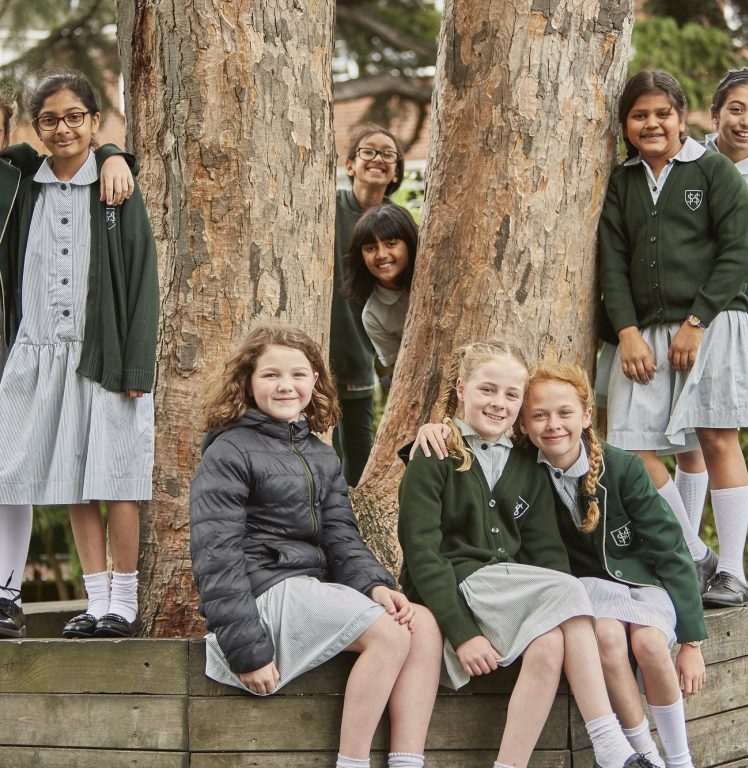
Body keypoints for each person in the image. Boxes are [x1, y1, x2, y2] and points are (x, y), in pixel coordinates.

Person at [190, 325, 442, 768]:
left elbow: (341, 536)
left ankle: (407, 761)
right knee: (387, 635)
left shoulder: (321, 454)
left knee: (419, 623)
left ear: (315, 382)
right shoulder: (229, 451)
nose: (286, 385)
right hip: (264, 592)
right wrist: (248, 650)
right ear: (248, 382)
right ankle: (353, 763)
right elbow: (217, 556)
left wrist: (374, 586)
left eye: (299, 374)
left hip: (310, 588)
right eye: (270, 375)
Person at [399, 340, 656, 768]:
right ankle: (608, 742)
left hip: (507, 595)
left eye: (511, 394)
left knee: (551, 642)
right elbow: (423, 556)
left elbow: (546, 553)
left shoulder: (525, 460)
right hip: (455, 590)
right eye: (487, 389)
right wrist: (462, 634)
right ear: (462, 389)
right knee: (568, 592)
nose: (499, 403)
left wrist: (556, 599)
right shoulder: (435, 453)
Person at [0, 71, 158, 639]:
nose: (63, 128)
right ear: (35, 127)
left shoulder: (116, 188)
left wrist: (138, 363)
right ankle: (94, 602)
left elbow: (143, 278)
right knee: (70, 480)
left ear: (94, 121)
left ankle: (124, 603)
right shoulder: (24, 186)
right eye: (49, 119)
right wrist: (113, 150)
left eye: (75, 117)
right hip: (41, 355)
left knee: (117, 477)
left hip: (107, 355)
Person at [599, 69, 748, 607]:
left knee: (717, 439)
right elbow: (613, 265)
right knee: (626, 445)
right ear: (625, 123)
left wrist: (697, 323)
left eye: (662, 113)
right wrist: (626, 331)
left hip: (713, 322)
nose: (652, 123)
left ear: (682, 117)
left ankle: (734, 572)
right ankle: (695, 553)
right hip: (644, 332)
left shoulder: (714, 171)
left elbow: (742, 253)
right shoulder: (621, 182)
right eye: (639, 114)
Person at [519, 361, 706, 768]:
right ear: (524, 425)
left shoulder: (623, 468)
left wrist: (691, 643)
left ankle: (680, 759)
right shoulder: (524, 473)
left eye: (565, 413)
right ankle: (646, 757)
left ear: (586, 415)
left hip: (641, 583)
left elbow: (672, 550)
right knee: (606, 637)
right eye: (539, 415)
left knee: (651, 643)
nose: (554, 425)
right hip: (586, 588)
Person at [332, 124, 405, 485]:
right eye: (368, 152)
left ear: (396, 171)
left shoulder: (398, 225)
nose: (378, 159)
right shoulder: (328, 209)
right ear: (350, 165)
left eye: (388, 154)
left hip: (363, 353)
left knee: (359, 458)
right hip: (320, 345)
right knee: (318, 452)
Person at [343, 202, 417, 385]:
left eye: (391, 244)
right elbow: (401, 369)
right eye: (370, 248)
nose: (381, 254)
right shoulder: (373, 314)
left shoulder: (440, 280)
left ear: (409, 243)